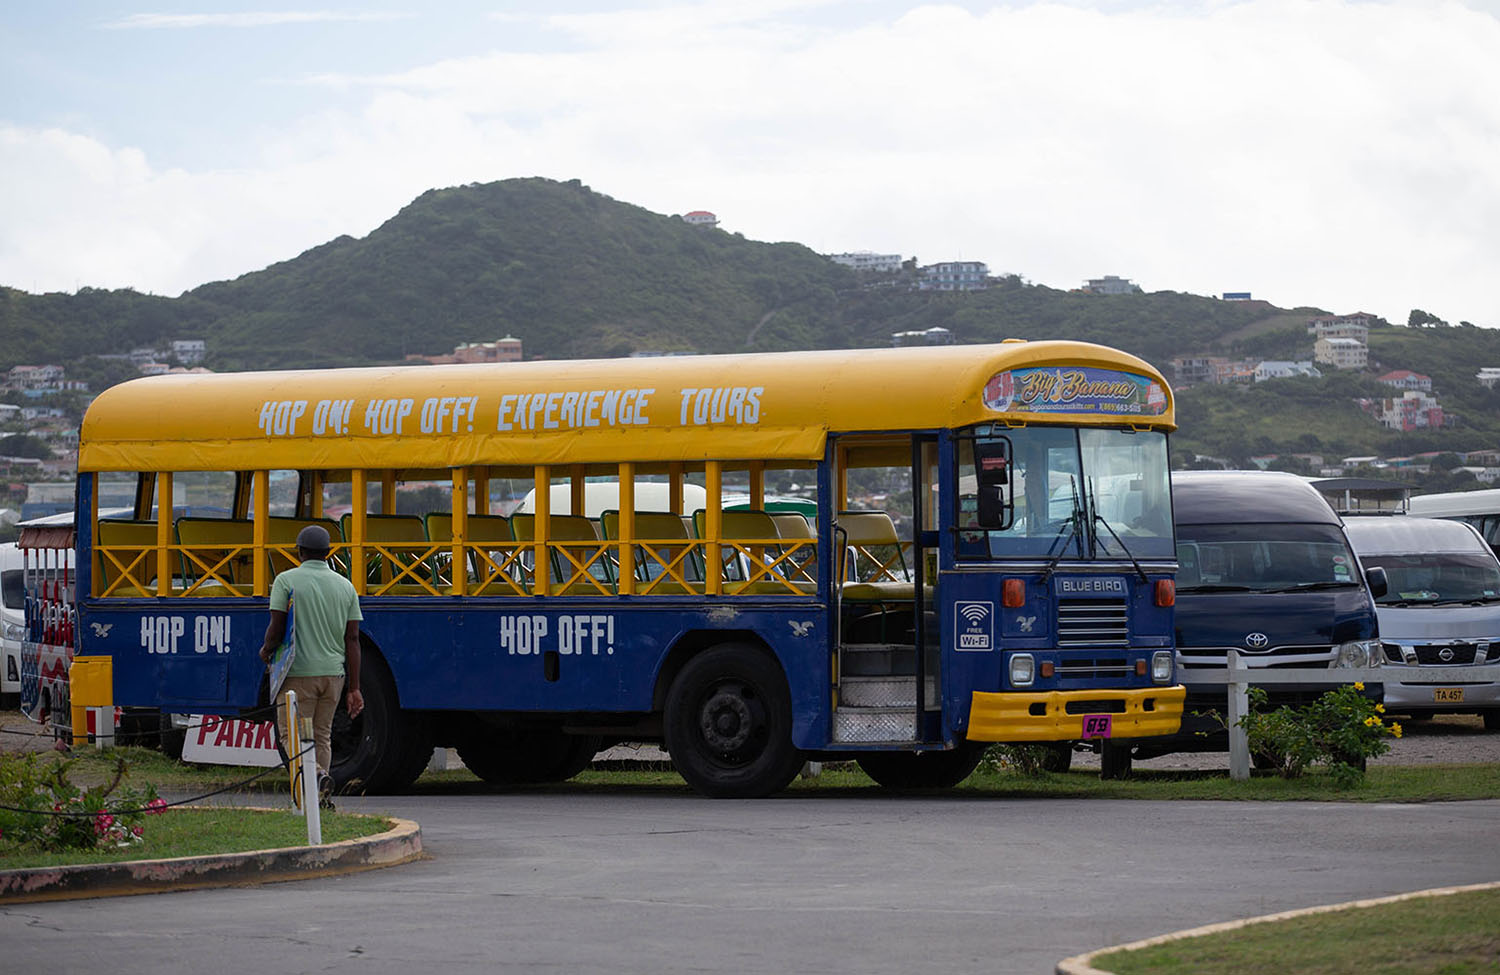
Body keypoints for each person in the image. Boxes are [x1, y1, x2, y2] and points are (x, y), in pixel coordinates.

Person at [258, 524, 364, 807]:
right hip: (333, 675)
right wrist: (354, 688)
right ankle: (320, 797)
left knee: (290, 734)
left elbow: (277, 628)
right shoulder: (346, 586)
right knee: (321, 735)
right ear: (328, 553)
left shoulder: (285, 580)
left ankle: (316, 775)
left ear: (300, 552)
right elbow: (352, 638)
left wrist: (267, 650)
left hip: (297, 674)